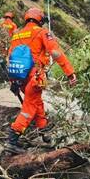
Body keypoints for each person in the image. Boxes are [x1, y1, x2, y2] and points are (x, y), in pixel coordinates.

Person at [6, 8, 77, 153]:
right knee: (29, 108)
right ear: (40, 20)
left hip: (20, 78)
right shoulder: (42, 32)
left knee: (37, 102)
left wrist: (12, 81)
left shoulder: (16, 34)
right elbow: (56, 53)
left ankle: (43, 132)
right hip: (35, 77)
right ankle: (12, 140)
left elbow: (10, 59)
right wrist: (70, 73)